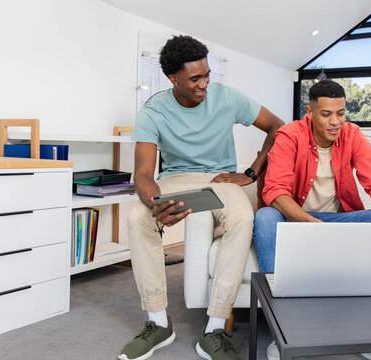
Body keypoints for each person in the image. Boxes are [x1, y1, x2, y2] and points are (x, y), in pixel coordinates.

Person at [119, 35, 284, 360]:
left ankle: (215, 328)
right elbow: (142, 174)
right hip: (175, 179)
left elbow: (278, 127)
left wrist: (250, 172)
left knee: (242, 217)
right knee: (137, 218)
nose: (204, 83)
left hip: (221, 178)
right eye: (195, 78)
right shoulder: (153, 111)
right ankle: (158, 322)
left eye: (207, 74)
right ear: (173, 78)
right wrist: (155, 204)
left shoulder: (228, 97)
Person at [253, 80, 371, 360]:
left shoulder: (353, 135)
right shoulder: (289, 135)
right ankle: (285, 328)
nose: (335, 122)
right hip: (295, 220)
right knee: (264, 217)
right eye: (326, 114)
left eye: (341, 113)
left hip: (337, 221)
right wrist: (310, 225)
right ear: (309, 112)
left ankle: (367, 329)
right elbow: (275, 191)